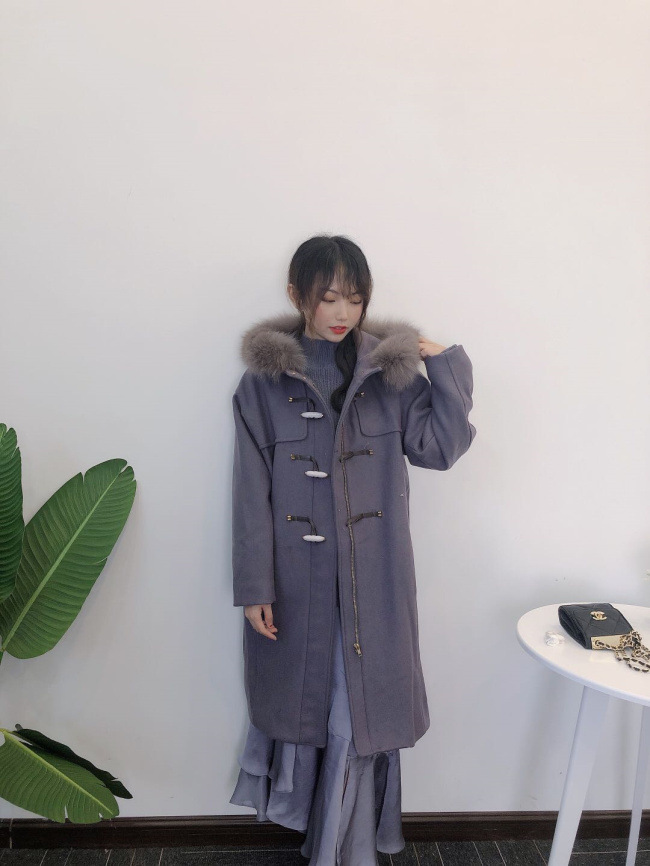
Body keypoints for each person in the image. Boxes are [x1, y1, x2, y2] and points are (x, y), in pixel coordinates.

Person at [229, 234, 476, 864]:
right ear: (297, 295)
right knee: (312, 708)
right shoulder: (262, 385)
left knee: (356, 716)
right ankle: (329, 840)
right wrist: (254, 586)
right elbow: (250, 490)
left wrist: (446, 365)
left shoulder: (389, 376)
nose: (343, 312)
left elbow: (439, 449)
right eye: (329, 297)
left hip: (375, 583)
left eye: (356, 298)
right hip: (297, 583)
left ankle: (341, 848)